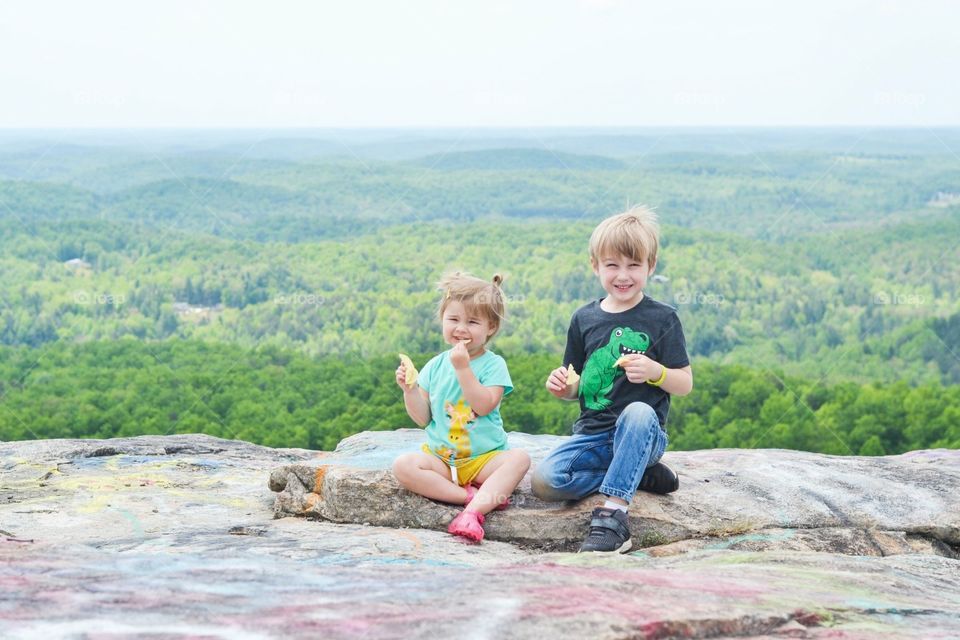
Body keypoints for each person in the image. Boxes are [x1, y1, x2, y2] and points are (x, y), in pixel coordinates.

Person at [533, 206, 693, 553]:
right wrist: (564, 387)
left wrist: (656, 372)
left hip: (642, 433)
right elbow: (580, 383)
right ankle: (637, 473)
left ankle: (613, 515)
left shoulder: (662, 318)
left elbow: (684, 383)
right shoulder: (584, 318)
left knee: (636, 411)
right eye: (612, 265)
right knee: (545, 482)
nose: (623, 275)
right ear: (596, 266)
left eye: (634, 265)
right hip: (593, 435)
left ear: (651, 266)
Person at [393, 272, 530, 543]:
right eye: (453, 320)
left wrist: (463, 368)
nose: (461, 328)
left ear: (490, 327)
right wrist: (409, 391)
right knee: (403, 466)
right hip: (442, 459)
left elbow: (485, 405)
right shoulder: (435, 365)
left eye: (472, 322)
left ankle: (473, 514)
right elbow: (423, 418)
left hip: (484, 459)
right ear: (442, 320)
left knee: (520, 459)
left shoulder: (493, 365)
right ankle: (469, 497)